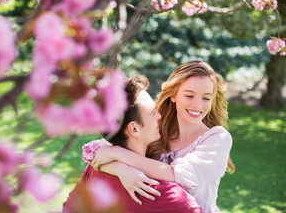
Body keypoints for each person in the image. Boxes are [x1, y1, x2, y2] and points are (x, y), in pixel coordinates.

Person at [90, 60, 235, 213]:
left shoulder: (217, 139)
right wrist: (121, 170)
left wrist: (117, 154)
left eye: (206, 98)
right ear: (173, 95)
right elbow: (94, 152)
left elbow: (175, 175)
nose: (197, 105)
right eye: (189, 95)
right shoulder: (156, 130)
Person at [63, 75, 203, 213]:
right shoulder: (166, 195)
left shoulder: (95, 170)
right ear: (134, 129)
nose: (159, 116)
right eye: (153, 112)